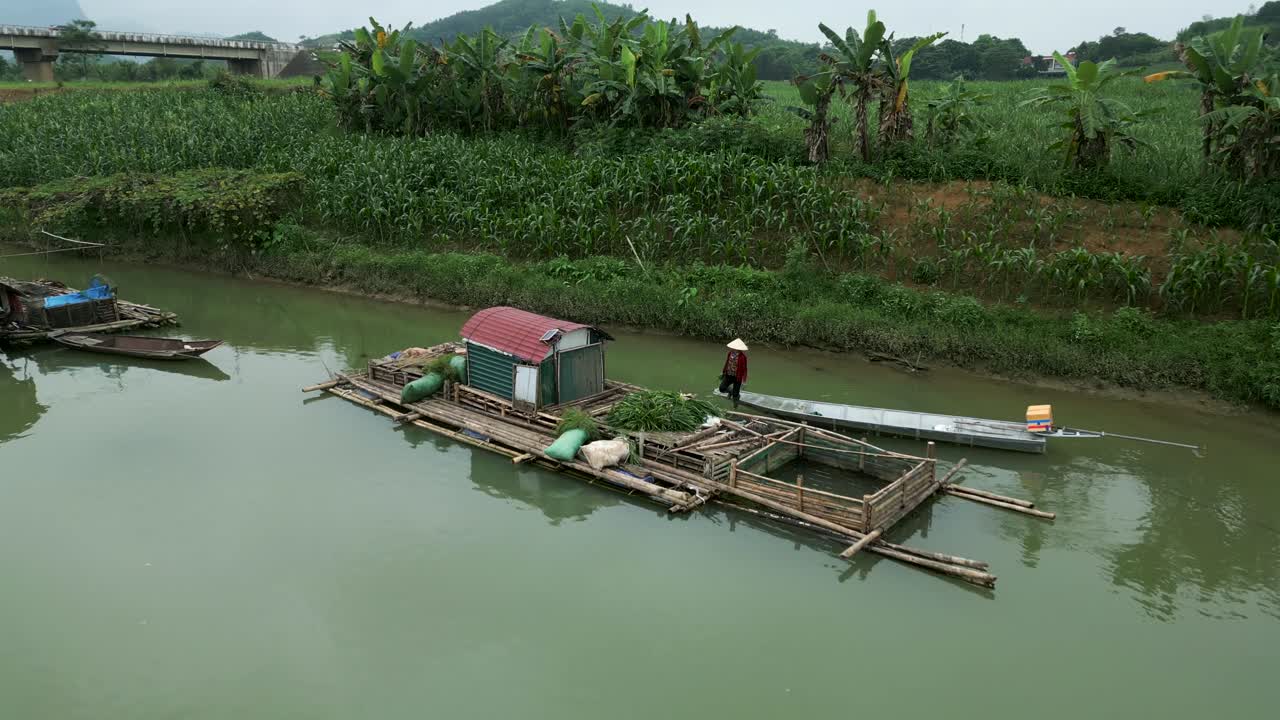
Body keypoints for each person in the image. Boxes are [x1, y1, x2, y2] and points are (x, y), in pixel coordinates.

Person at [718, 338, 748, 407]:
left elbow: (745, 369)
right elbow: (727, 363)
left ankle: (735, 404)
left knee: (735, 395)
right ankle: (731, 392)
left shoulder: (743, 357)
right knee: (721, 388)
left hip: (737, 377)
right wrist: (723, 372)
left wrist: (744, 381)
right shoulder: (730, 353)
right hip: (728, 375)